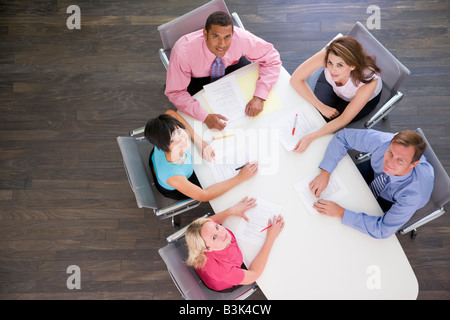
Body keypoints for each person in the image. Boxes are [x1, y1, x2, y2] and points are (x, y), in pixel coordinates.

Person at [165, 11, 282, 131]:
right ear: (205, 34)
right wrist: (204, 116)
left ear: (233, 33)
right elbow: (175, 92)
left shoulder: (241, 38)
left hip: (231, 66)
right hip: (198, 79)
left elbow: (271, 57)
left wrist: (260, 96)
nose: (222, 44)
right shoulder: (183, 52)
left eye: (227, 37)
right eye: (216, 37)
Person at [309, 128, 434, 239]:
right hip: (375, 174)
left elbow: (382, 230)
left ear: (413, 164)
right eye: (390, 153)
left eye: (400, 160)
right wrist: (325, 173)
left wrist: (341, 212)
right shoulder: (384, 142)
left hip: (391, 199)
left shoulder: (414, 195)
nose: (390, 163)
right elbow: (343, 137)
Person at [289, 36, 383, 153]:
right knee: (315, 114)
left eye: (340, 65)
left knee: (323, 128)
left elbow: (344, 119)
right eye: (330, 63)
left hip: (358, 99)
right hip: (331, 86)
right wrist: (321, 107)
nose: (332, 70)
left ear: (352, 66)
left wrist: (311, 137)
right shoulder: (329, 54)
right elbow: (295, 79)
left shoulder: (369, 81)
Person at [144, 109, 258, 201]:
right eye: (173, 139)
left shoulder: (164, 142)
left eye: (179, 131)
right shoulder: (173, 176)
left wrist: (199, 142)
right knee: (212, 181)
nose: (182, 139)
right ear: (161, 146)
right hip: (176, 184)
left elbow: (171, 113)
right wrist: (240, 177)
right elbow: (204, 195)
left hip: (160, 160)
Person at [185, 196, 284, 291]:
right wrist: (270, 238)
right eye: (214, 237)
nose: (222, 233)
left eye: (216, 227)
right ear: (208, 249)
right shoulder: (225, 272)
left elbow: (208, 223)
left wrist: (231, 211)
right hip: (221, 281)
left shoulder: (206, 232)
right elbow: (254, 275)